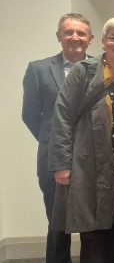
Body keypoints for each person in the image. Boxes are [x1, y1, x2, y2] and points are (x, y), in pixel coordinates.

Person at [48, 17, 114, 263]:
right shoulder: (84, 71)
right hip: (88, 165)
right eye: (113, 37)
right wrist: (62, 164)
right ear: (102, 42)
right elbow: (63, 117)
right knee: (92, 230)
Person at [22, 13, 93, 263]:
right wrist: (53, 143)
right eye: (68, 32)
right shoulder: (38, 69)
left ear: (90, 38)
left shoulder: (101, 68)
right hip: (52, 160)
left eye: (81, 33)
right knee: (57, 223)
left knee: (92, 225)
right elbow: (30, 115)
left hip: (92, 159)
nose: (75, 37)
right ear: (59, 36)